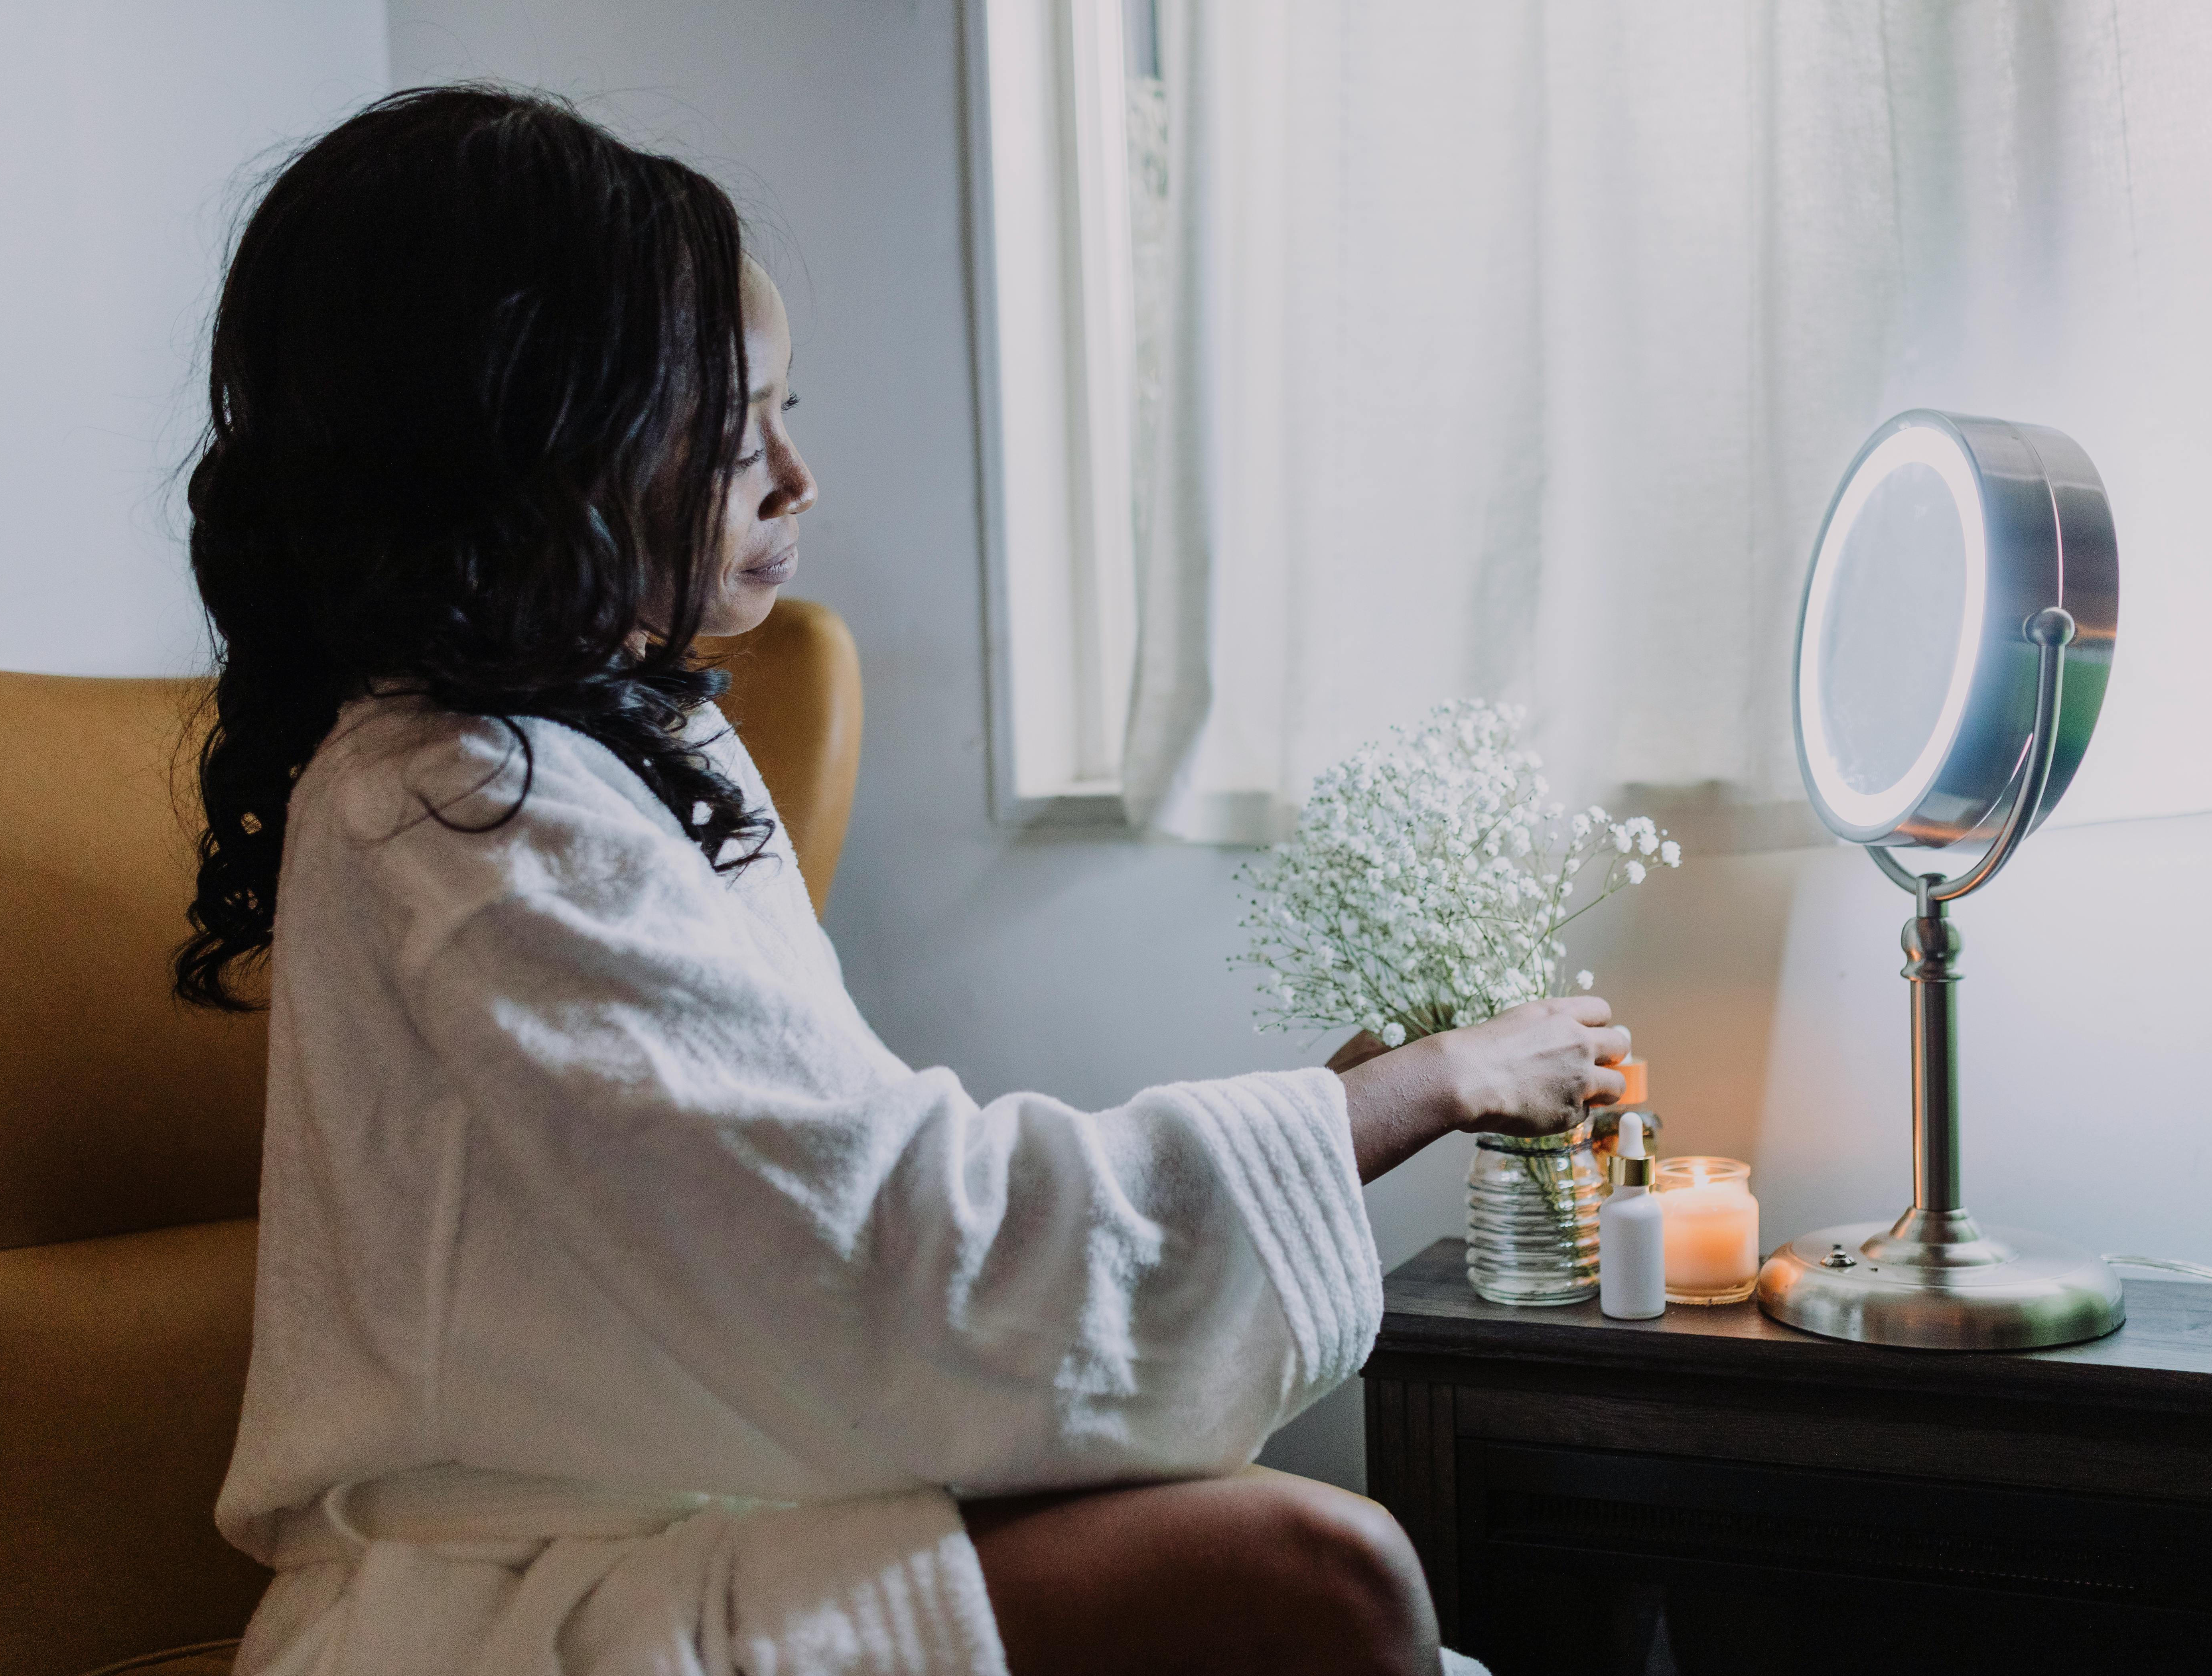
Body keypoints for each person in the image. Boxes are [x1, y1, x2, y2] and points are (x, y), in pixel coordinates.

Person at [178, 86, 1630, 1676]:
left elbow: (835, 1219)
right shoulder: (458, 800)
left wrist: (1316, 1126)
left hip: (681, 1514)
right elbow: (864, 1256)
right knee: (1318, 1570)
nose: (795, 479)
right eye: (738, 432)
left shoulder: (619, 751)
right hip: (499, 1610)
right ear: (540, 447)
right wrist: (1393, 1101)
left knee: (1308, 1565)